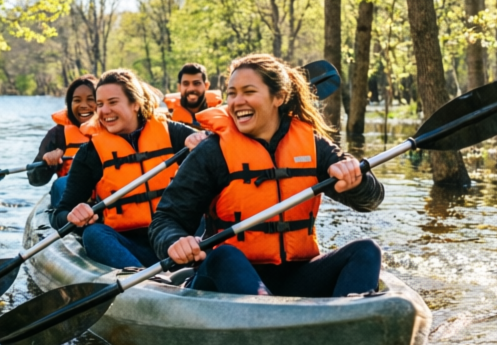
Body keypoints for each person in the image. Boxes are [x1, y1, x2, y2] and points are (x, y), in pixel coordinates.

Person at [149, 53, 385, 297]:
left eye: (249, 92)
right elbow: (165, 220)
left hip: (295, 276)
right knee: (225, 255)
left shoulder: (313, 146)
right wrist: (175, 241)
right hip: (225, 277)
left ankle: (347, 324)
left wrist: (357, 181)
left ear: (279, 97)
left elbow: (371, 200)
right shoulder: (212, 151)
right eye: (231, 94)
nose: (237, 101)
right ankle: (274, 318)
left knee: (366, 250)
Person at [54, 69, 202, 269]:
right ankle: (144, 283)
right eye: (100, 104)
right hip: (131, 247)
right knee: (94, 234)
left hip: (179, 240)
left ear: (135, 104)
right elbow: (60, 215)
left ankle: (190, 271)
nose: (104, 111)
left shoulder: (173, 133)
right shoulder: (90, 153)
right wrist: (72, 216)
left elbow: (217, 149)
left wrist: (202, 140)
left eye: (113, 102)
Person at [29, 75, 97, 209]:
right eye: (77, 100)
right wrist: (48, 163)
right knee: (61, 183)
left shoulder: (114, 129)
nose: (83, 105)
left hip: (105, 200)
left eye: (91, 99)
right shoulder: (58, 134)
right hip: (70, 202)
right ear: (69, 104)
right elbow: (35, 179)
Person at [163, 63, 222, 128]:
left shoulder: (221, 116)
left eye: (196, 83)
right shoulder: (167, 119)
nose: (191, 88)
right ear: (179, 87)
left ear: (206, 86)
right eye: (186, 83)